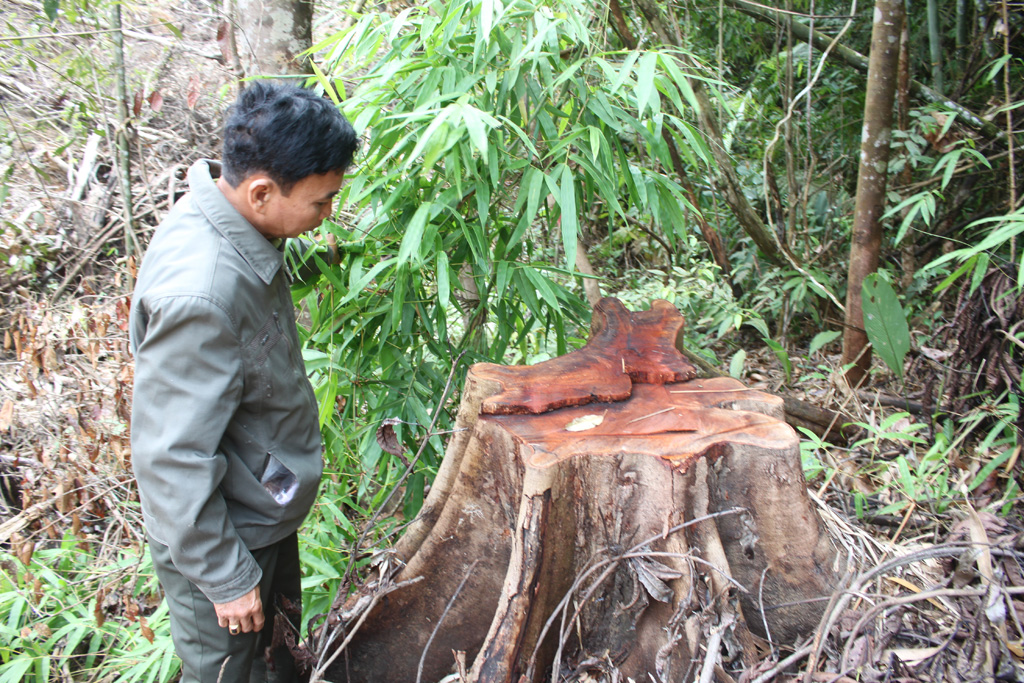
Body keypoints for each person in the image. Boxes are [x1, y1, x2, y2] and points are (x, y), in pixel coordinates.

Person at [129, 82, 357, 682]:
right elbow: (171, 455)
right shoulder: (203, 292)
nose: (327, 214)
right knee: (231, 674)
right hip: (224, 538)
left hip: (259, 508)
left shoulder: (237, 221)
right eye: (321, 202)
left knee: (279, 661)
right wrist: (226, 577)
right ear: (261, 192)